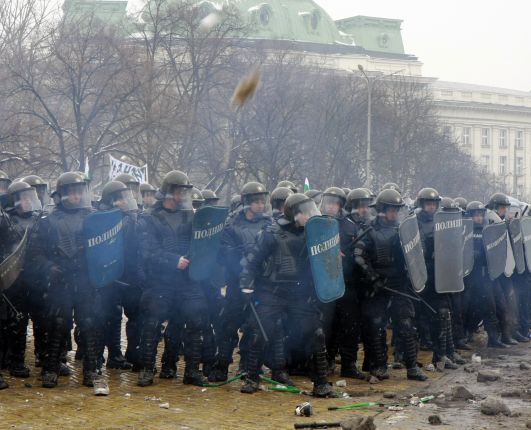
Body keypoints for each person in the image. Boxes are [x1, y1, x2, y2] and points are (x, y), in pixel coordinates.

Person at [239, 193, 337, 396]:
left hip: (298, 293)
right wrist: (246, 287)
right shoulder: (271, 232)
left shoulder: (312, 234)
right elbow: (251, 261)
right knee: (259, 334)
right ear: (294, 214)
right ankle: (251, 378)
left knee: (316, 334)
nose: (311, 216)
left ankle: (321, 383)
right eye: (307, 213)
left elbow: (323, 264)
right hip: (271, 291)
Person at [28, 172, 108, 392]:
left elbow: (105, 250)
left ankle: (91, 369)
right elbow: (35, 253)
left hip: (86, 280)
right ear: (62, 194)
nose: (76, 195)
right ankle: (50, 369)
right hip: (60, 280)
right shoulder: (48, 221)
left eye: (79, 191)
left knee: (89, 324)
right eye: (72, 191)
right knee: (57, 326)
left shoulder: (94, 218)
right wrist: (49, 267)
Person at [137, 171, 208, 387]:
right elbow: (146, 252)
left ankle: (192, 371)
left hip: (187, 280)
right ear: (168, 192)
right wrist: (172, 260)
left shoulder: (192, 216)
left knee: (196, 319)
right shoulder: (150, 218)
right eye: (179, 191)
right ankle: (147, 370)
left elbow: (201, 244)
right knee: (152, 324)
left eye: (185, 191)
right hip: (160, 281)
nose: (183, 196)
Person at [354, 189, 427, 381]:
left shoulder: (403, 230)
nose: (393, 213)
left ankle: (411, 366)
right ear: (382, 210)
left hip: (400, 285)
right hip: (378, 287)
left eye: (396, 210)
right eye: (390, 210)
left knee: (406, 324)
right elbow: (359, 257)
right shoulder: (369, 230)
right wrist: (374, 279)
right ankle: (379, 366)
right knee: (377, 326)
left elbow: (416, 254)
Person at [208, 182, 272, 382]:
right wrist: (246, 259)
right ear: (247, 202)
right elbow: (224, 253)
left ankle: (249, 367)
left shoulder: (269, 224)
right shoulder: (231, 224)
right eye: (257, 202)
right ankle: (221, 366)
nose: (261, 205)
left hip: (260, 284)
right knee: (229, 327)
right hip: (237, 284)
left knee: (254, 327)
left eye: (263, 201)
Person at [416, 188, 465, 370]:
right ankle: (407, 360)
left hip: (441, 276)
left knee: (443, 315)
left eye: (434, 204)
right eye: (428, 204)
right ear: (422, 204)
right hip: (422, 278)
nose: (431, 207)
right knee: (416, 321)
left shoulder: (443, 222)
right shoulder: (415, 223)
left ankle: (442, 356)